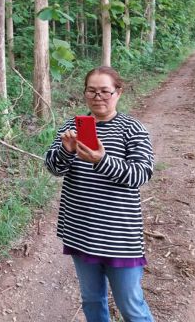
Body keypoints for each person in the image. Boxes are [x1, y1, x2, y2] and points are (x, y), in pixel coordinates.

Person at [44, 66, 155, 322]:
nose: (98, 97)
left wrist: (101, 159)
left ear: (118, 92)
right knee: (92, 301)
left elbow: (141, 174)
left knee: (131, 305)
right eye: (91, 91)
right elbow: (53, 167)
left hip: (120, 236)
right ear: (84, 94)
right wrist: (66, 151)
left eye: (105, 91)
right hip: (81, 230)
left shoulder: (132, 129)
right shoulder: (72, 126)